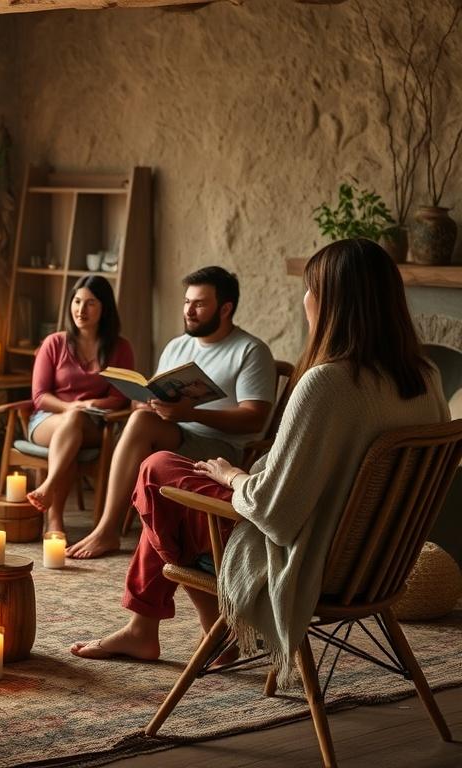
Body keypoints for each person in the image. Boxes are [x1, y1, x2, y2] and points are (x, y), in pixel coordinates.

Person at [70, 239, 448, 684]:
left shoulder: (326, 383)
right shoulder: (427, 377)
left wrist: (233, 476)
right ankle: (168, 628)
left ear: (332, 303)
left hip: (311, 561)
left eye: (310, 290)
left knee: (158, 476)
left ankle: (189, 626)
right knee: (172, 488)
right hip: (379, 562)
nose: (305, 300)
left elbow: (276, 512)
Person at [66, 266, 276, 559]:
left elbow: (255, 418)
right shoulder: (177, 346)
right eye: (187, 301)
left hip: (221, 449)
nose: (189, 311)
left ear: (225, 308)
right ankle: (108, 530)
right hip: (175, 432)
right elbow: (154, 392)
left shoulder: (250, 350)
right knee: (140, 417)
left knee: (141, 425)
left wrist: (191, 414)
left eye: (199, 304)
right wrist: (146, 403)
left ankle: (108, 530)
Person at [25, 275, 135, 533]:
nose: (81, 310)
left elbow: (120, 397)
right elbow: (40, 396)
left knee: (74, 424)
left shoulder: (120, 348)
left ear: (105, 307)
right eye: (77, 301)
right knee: (71, 424)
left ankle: (49, 492)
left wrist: (88, 405)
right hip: (47, 420)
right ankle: (55, 520)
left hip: (94, 425)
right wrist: (71, 408)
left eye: (90, 303)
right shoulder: (54, 343)